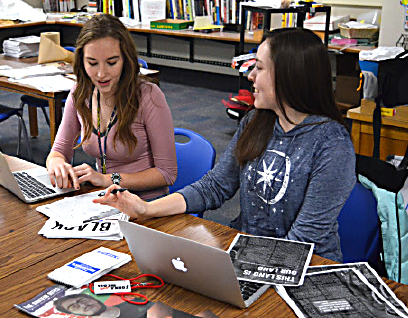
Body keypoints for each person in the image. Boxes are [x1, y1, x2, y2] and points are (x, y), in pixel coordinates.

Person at [94, 28, 356, 262]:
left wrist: (240, 263)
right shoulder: (256, 120)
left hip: (305, 266)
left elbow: (304, 238)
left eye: (260, 68)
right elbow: (215, 187)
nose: (251, 76)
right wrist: (147, 209)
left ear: (291, 75)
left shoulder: (332, 143)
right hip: (250, 253)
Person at [47, 14, 177, 200]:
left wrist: (107, 179)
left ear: (125, 59)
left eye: (111, 63)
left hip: (147, 204)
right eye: (92, 63)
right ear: (82, 62)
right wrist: (57, 163)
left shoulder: (148, 96)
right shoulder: (80, 93)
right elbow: (58, 151)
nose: (101, 74)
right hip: (106, 199)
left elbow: (167, 173)